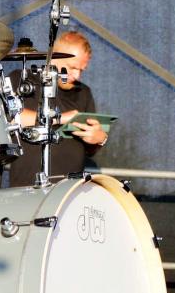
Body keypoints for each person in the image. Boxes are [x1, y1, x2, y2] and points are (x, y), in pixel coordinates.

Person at [7, 30, 109, 187]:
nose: (77, 75)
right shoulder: (23, 80)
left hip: (69, 190)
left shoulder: (83, 92)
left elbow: (90, 150)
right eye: (72, 67)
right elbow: (10, 118)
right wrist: (60, 118)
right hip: (28, 187)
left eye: (81, 70)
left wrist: (99, 139)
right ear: (54, 57)